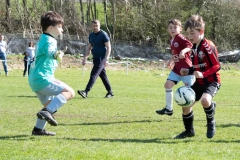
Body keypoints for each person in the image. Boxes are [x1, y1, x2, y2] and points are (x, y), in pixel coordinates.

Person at [28, 11, 75, 136]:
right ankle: (47, 112)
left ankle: (38, 130)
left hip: (34, 78)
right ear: (51, 28)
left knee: (50, 104)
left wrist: (57, 54)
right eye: (59, 26)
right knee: (70, 92)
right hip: (42, 78)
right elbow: (50, 52)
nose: (62, 29)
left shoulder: (44, 38)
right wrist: (56, 54)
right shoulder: (50, 40)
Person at [175, 14, 221, 139]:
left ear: (201, 31)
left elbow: (217, 65)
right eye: (188, 34)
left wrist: (203, 74)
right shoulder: (193, 47)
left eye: (192, 33)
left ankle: (211, 122)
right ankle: (189, 131)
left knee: (205, 101)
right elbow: (197, 66)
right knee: (186, 105)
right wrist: (188, 71)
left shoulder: (207, 45)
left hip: (212, 81)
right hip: (199, 83)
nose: (189, 37)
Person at [156, 19, 195, 116]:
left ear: (180, 29)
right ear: (167, 29)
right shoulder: (171, 39)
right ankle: (169, 109)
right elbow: (175, 53)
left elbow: (190, 46)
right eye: (170, 27)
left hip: (186, 69)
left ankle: (209, 103)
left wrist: (183, 51)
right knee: (167, 85)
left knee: (192, 93)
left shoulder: (180, 37)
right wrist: (171, 60)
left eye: (175, 27)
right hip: (177, 69)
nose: (172, 29)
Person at [77, 20, 114, 98]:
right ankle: (110, 92)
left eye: (97, 25)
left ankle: (86, 92)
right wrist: (85, 58)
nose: (95, 27)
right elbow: (89, 48)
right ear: (92, 26)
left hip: (102, 58)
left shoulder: (103, 35)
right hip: (95, 58)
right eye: (94, 26)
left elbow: (109, 47)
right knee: (103, 76)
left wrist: (106, 59)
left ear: (99, 25)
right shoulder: (91, 35)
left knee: (93, 74)